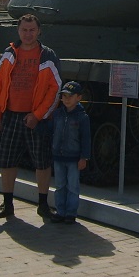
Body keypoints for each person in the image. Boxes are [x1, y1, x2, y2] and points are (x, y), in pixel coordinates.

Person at [0, 13, 61, 218]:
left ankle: (43, 204)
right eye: (24, 30)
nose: (28, 34)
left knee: (42, 162)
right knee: (8, 160)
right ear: (18, 30)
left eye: (32, 30)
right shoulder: (9, 54)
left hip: (35, 118)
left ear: (39, 31)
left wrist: (38, 115)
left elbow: (55, 88)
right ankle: (7, 204)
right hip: (11, 114)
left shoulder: (47, 55)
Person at [50, 81, 91, 224]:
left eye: (70, 96)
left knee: (73, 186)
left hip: (74, 158)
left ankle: (71, 213)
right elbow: (52, 132)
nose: (67, 99)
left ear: (79, 97)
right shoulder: (57, 114)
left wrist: (84, 157)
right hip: (58, 156)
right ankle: (60, 211)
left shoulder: (82, 117)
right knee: (59, 185)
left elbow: (86, 138)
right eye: (64, 96)